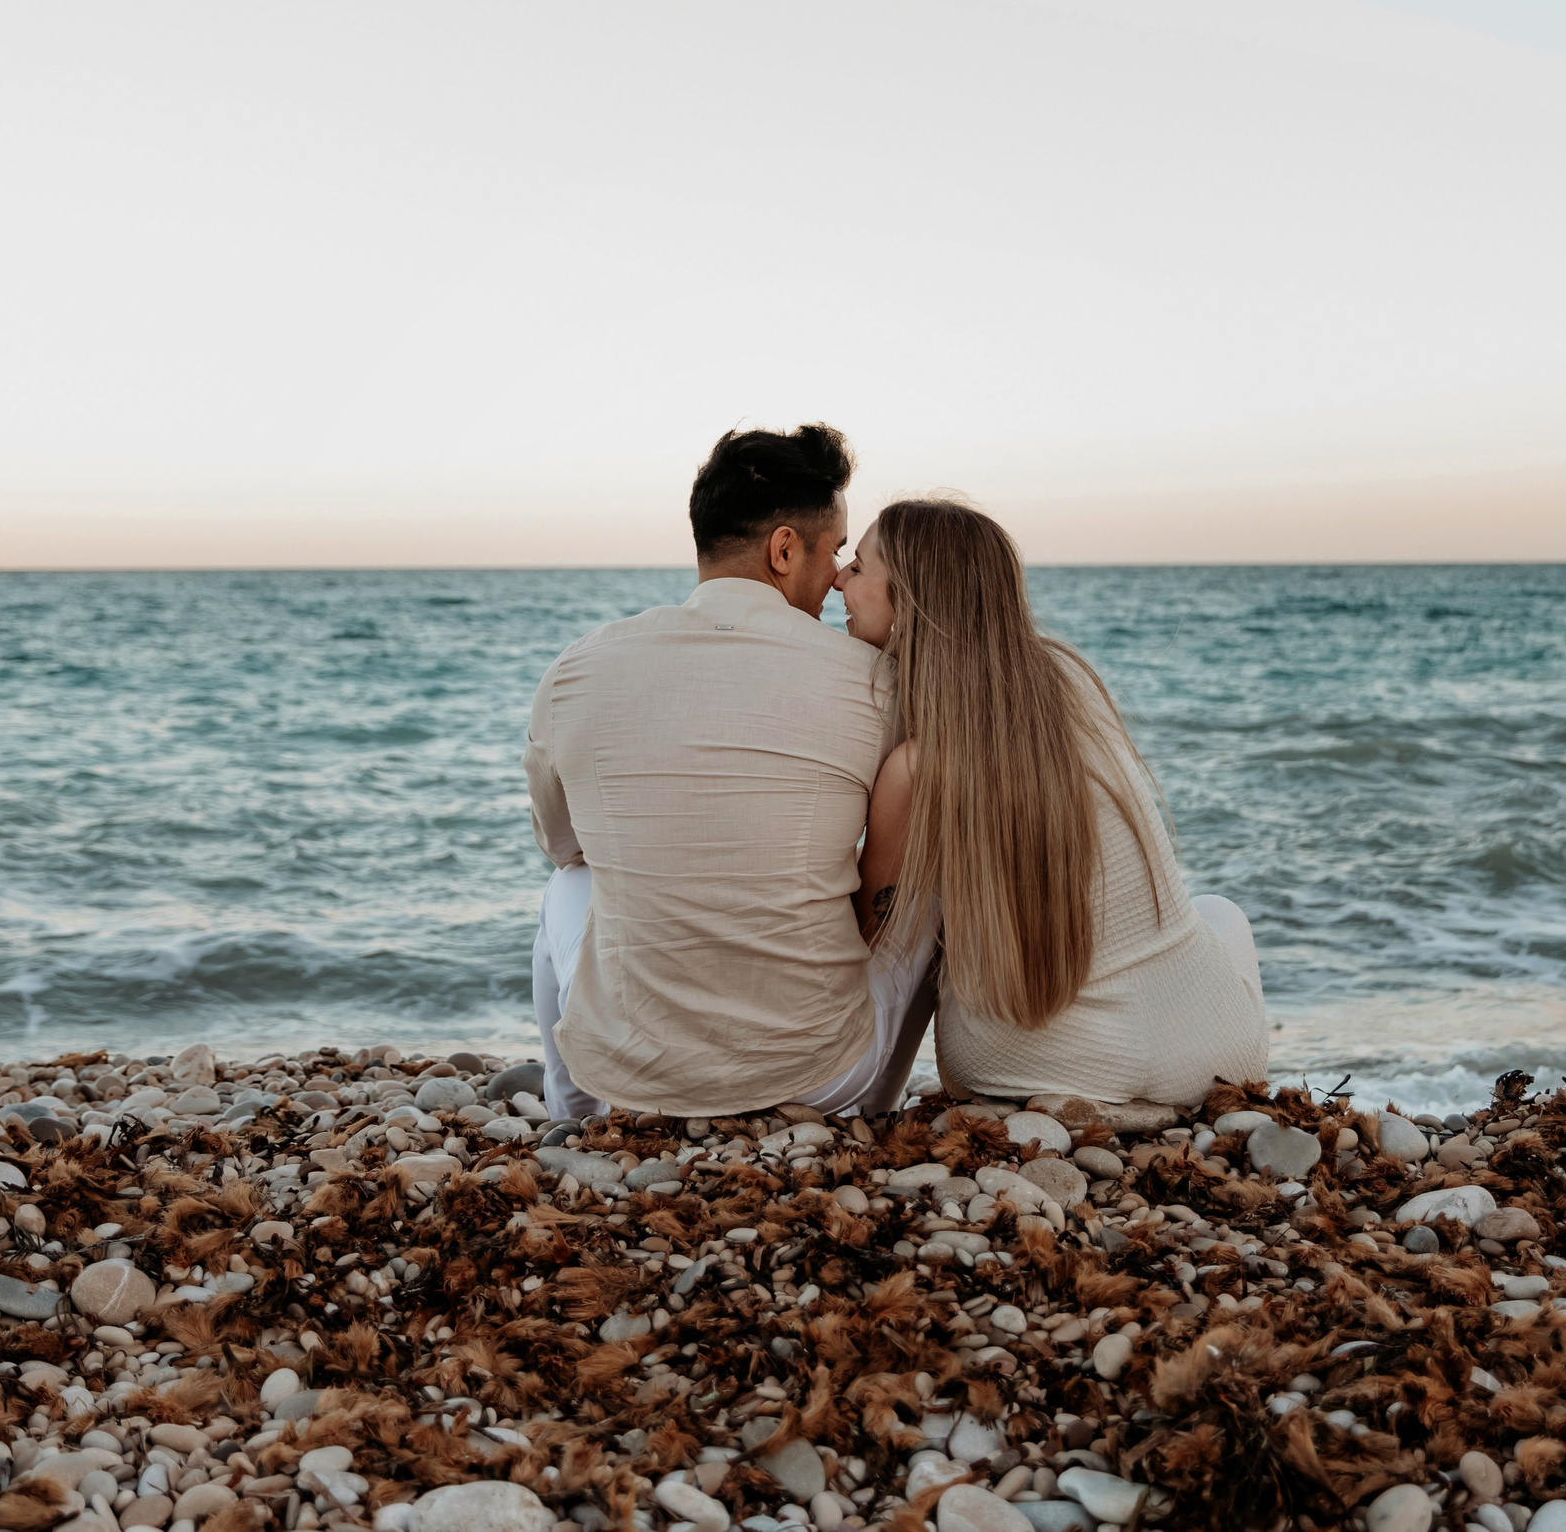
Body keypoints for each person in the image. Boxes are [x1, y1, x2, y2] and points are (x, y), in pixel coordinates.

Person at [523, 425, 940, 1119]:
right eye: (835, 550)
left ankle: (572, 1111)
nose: (839, 574)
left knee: (564, 885)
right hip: (823, 1075)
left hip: (636, 1073)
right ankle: (876, 1112)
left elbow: (565, 848)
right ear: (784, 549)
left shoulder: (575, 671)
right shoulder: (873, 683)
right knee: (929, 874)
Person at [833, 497, 1267, 1107]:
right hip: (1213, 1055)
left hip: (1026, 1064)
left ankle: (870, 1099)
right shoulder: (1070, 683)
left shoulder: (917, 766)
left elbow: (870, 933)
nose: (837, 579)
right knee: (1221, 912)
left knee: (922, 908)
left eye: (856, 567)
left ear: (908, 596)